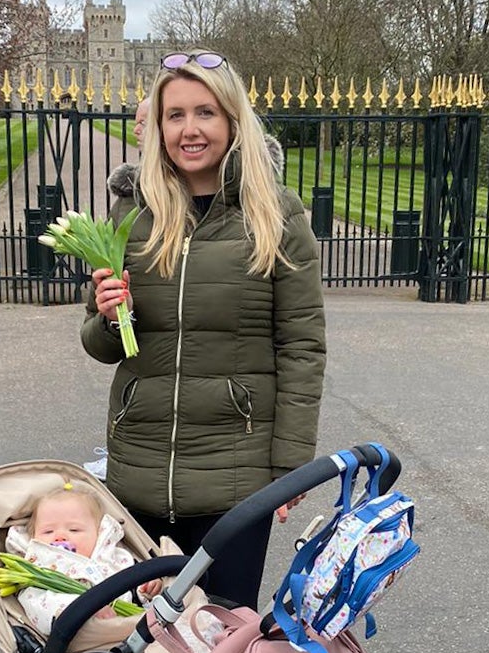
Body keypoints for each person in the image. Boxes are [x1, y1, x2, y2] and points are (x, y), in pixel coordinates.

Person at [81, 50, 326, 610]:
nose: (189, 130)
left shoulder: (277, 218)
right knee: (139, 645)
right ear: (157, 126)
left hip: (234, 479)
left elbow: (302, 347)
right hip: (137, 470)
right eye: (174, 115)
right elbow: (99, 345)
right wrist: (109, 314)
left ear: (232, 120)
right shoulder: (132, 217)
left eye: (206, 113)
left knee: (219, 644)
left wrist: (290, 467)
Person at [5, 483, 159, 635]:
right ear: (33, 536)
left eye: (74, 529)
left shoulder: (111, 557)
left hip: (135, 628)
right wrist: (80, 611)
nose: (60, 536)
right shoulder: (38, 566)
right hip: (80, 635)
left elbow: (130, 583)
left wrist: (144, 590)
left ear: (99, 533)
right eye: (48, 531)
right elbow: (37, 605)